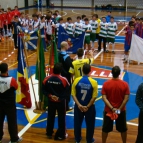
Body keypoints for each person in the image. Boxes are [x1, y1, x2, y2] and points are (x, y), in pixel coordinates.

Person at [101, 66, 130, 143]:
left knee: (105, 129)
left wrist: (112, 108)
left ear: (111, 73)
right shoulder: (125, 84)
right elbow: (126, 99)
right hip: (120, 110)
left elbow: (104, 98)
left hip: (108, 110)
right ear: (119, 73)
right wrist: (119, 109)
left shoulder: (106, 84)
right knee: (123, 129)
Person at [71, 64, 98, 143]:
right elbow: (94, 97)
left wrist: (79, 105)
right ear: (90, 71)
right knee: (90, 124)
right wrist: (87, 106)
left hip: (78, 107)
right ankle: (89, 140)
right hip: (89, 108)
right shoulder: (94, 82)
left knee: (77, 123)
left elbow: (73, 94)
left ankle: (77, 139)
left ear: (82, 71)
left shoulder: (76, 80)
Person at [43, 63, 69, 140]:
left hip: (51, 101)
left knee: (50, 116)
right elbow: (67, 92)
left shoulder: (46, 79)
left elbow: (43, 90)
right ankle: (61, 135)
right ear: (61, 70)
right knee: (61, 118)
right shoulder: (64, 80)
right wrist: (59, 98)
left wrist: (50, 96)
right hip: (60, 102)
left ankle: (49, 133)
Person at [0, 63, 22, 143]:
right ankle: (14, 138)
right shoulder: (11, 80)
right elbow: (16, 87)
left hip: (0, 104)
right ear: (7, 70)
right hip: (9, 105)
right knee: (12, 122)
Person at [58, 41, 73, 111]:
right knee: (67, 91)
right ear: (65, 46)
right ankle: (66, 106)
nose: (68, 46)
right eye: (67, 45)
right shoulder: (66, 57)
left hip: (58, 75)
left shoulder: (58, 54)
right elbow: (70, 67)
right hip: (66, 77)